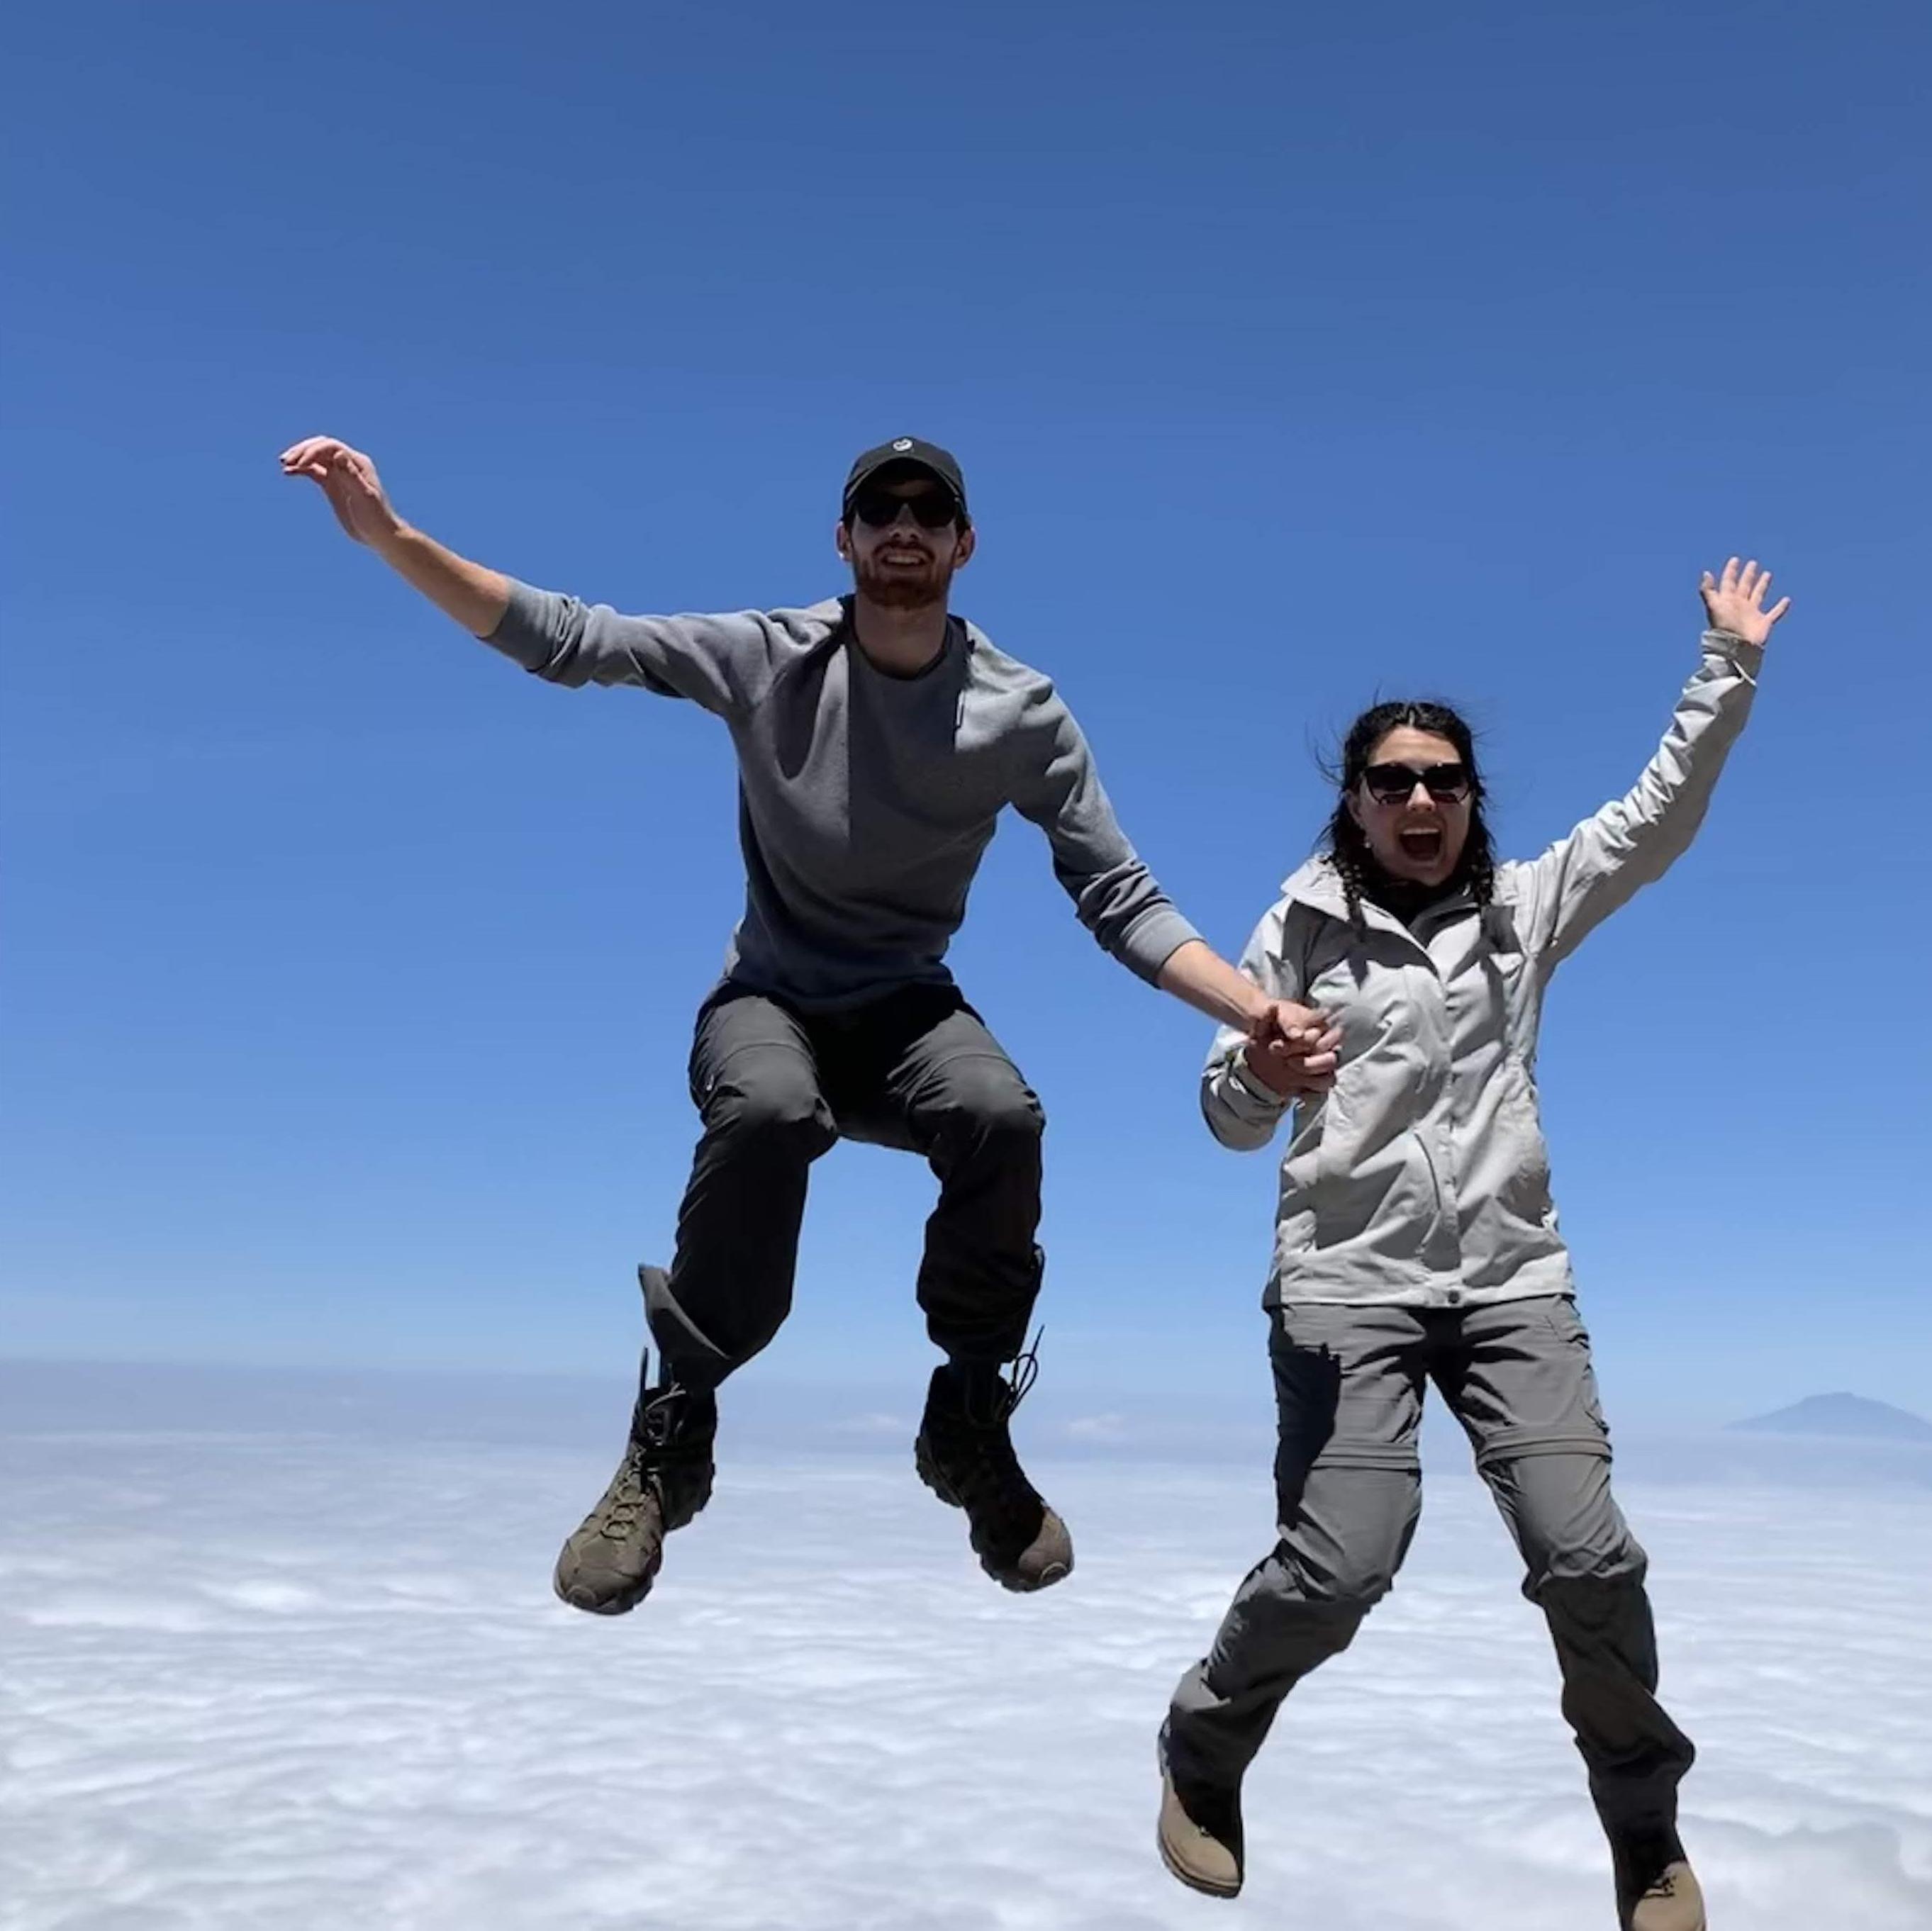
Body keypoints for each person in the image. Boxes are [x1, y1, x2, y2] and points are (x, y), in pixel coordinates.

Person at [279, 431, 1336, 1613]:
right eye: (877, 507)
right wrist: (392, 539)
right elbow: (572, 642)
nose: (902, 525)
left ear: (962, 544)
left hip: (904, 1010)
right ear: (842, 539)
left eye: (927, 510)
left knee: (999, 1114)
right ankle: (674, 1435)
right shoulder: (771, 658)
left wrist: (1255, 1013)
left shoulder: (1019, 712)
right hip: (769, 1000)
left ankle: (967, 1421)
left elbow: (1117, 896)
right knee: (772, 1111)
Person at [1154, 559, 1789, 1931]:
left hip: (1510, 1285)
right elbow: (1220, 1115)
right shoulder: (1299, 931)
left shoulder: (1523, 912)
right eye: (1393, 782)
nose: (1422, 801)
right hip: (1347, 1287)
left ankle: (1642, 1831)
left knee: (1590, 1562)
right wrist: (1269, 1070)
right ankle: (1204, 1746)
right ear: (1357, 801)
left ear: (1469, 796)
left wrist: (1722, 666)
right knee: (1336, 1568)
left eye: (1443, 779)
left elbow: (1653, 821)